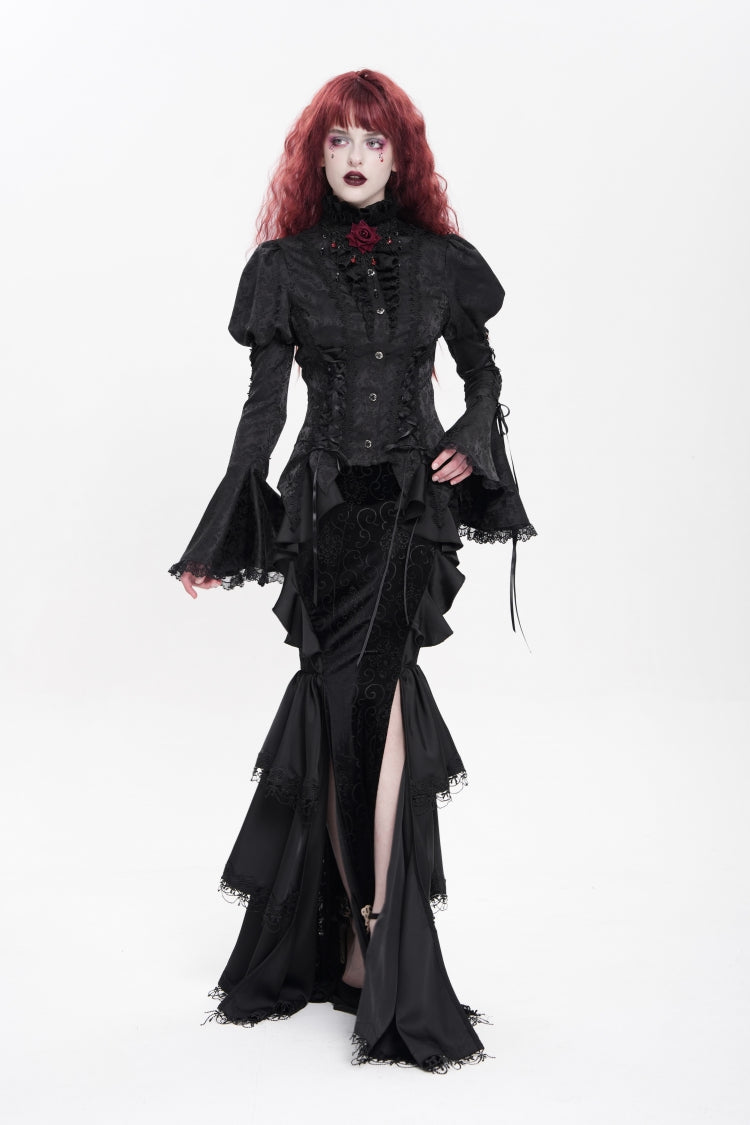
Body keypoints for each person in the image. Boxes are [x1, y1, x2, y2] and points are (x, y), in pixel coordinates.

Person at [167, 69, 536, 1073]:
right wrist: (225, 531)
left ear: (400, 154)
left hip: (411, 514)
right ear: (316, 156)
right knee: (340, 712)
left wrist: (473, 432)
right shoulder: (283, 268)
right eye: (338, 140)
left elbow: (482, 369)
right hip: (327, 516)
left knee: (380, 695)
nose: (357, 157)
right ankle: (361, 940)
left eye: (374, 140)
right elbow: (264, 408)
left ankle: (380, 935)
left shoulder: (442, 262)